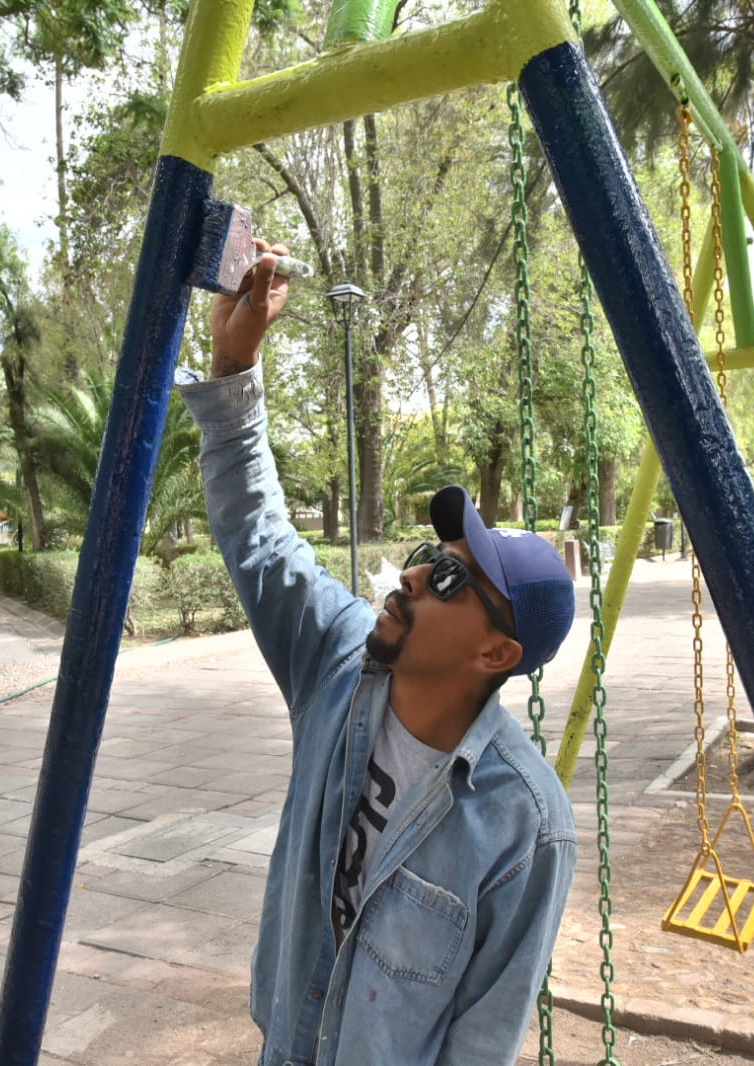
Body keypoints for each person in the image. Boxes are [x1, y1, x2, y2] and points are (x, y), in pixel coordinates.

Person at [175, 240, 579, 1066]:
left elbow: (483, 1037)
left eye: (452, 578)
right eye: (430, 556)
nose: (416, 575)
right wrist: (234, 362)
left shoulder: (524, 824)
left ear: (495, 654)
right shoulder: (336, 663)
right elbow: (260, 532)